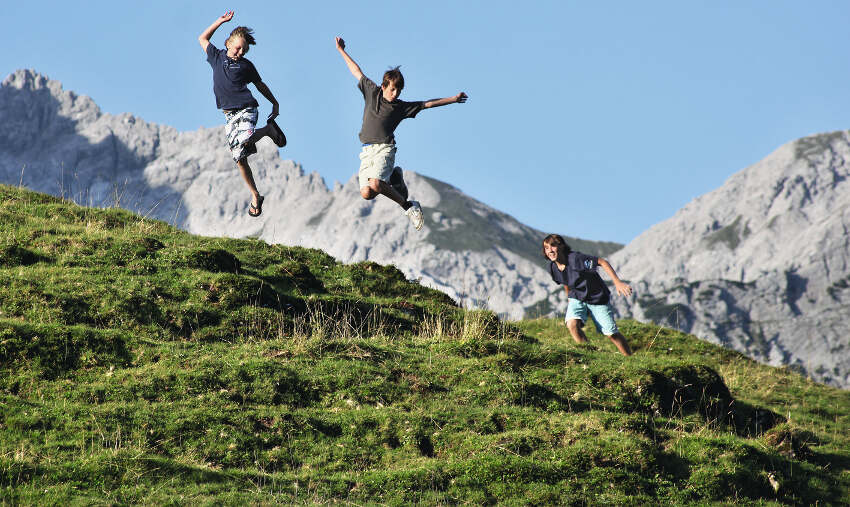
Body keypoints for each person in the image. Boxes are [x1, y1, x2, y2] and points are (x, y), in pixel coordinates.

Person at [334, 36, 467, 230]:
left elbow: (427, 104)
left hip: (384, 149)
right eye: (393, 89)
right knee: (366, 193)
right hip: (367, 151)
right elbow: (356, 71)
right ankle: (395, 179)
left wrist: (453, 99)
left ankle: (409, 206)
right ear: (384, 86)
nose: (396, 94)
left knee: (377, 184)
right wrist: (341, 51)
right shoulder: (372, 93)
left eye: (399, 90)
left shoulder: (400, 107)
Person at [198, 11, 286, 217]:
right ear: (228, 42)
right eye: (238, 48)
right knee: (240, 158)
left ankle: (266, 131)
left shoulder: (246, 66)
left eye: (244, 51)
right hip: (229, 116)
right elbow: (202, 38)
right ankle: (256, 195)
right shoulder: (216, 56)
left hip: (247, 108)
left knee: (245, 140)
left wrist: (274, 102)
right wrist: (219, 21)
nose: (240, 52)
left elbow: (260, 85)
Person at [542, 234, 634, 356]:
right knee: (572, 324)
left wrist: (617, 282)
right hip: (577, 297)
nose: (550, 251)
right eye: (547, 248)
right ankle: (590, 355)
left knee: (611, 334)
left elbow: (601, 261)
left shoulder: (575, 259)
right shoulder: (552, 267)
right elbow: (566, 281)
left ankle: (629, 358)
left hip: (597, 297)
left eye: (553, 246)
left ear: (562, 246)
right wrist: (569, 297)